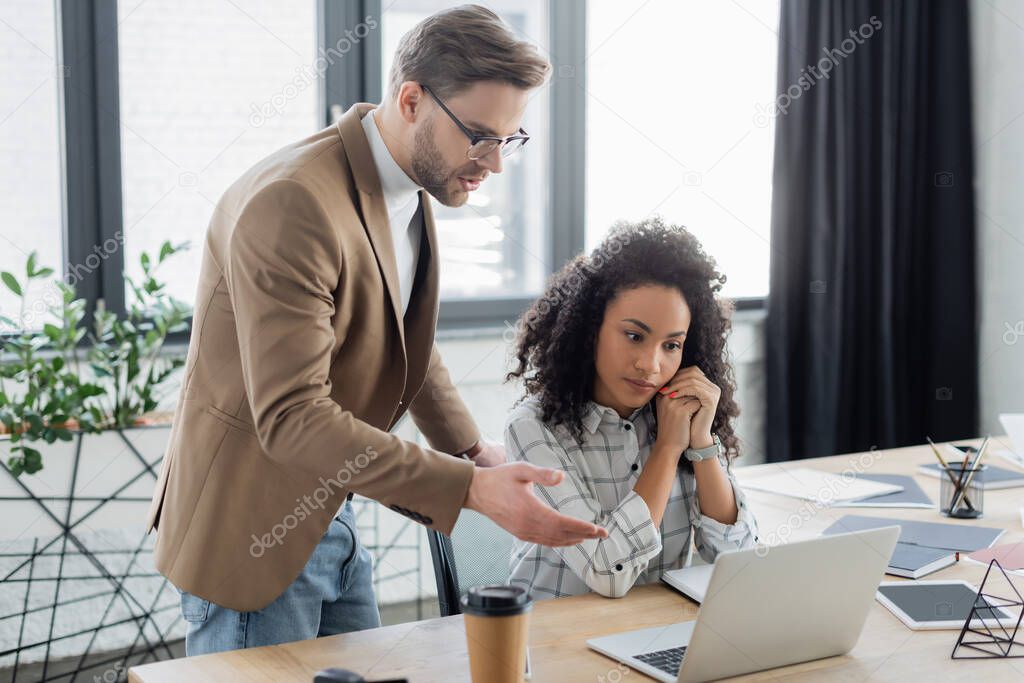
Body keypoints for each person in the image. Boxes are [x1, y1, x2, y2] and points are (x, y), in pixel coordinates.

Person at [145, 5, 605, 655]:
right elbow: (292, 416)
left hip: (331, 513)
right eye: (481, 136)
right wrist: (470, 489)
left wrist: (477, 452)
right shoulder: (294, 204)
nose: (494, 164)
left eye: (510, 140)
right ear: (411, 99)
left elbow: (407, 343)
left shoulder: (411, 182)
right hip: (252, 531)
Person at [505, 218, 758, 599]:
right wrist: (668, 450)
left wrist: (701, 443)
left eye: (671, 345)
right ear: (590, 329)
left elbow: (739, 561)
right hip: (554, 643)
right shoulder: (532, 428)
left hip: (651, 635)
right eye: (634, 336)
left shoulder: (676, 414)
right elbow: (607, 571)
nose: (651, 365)